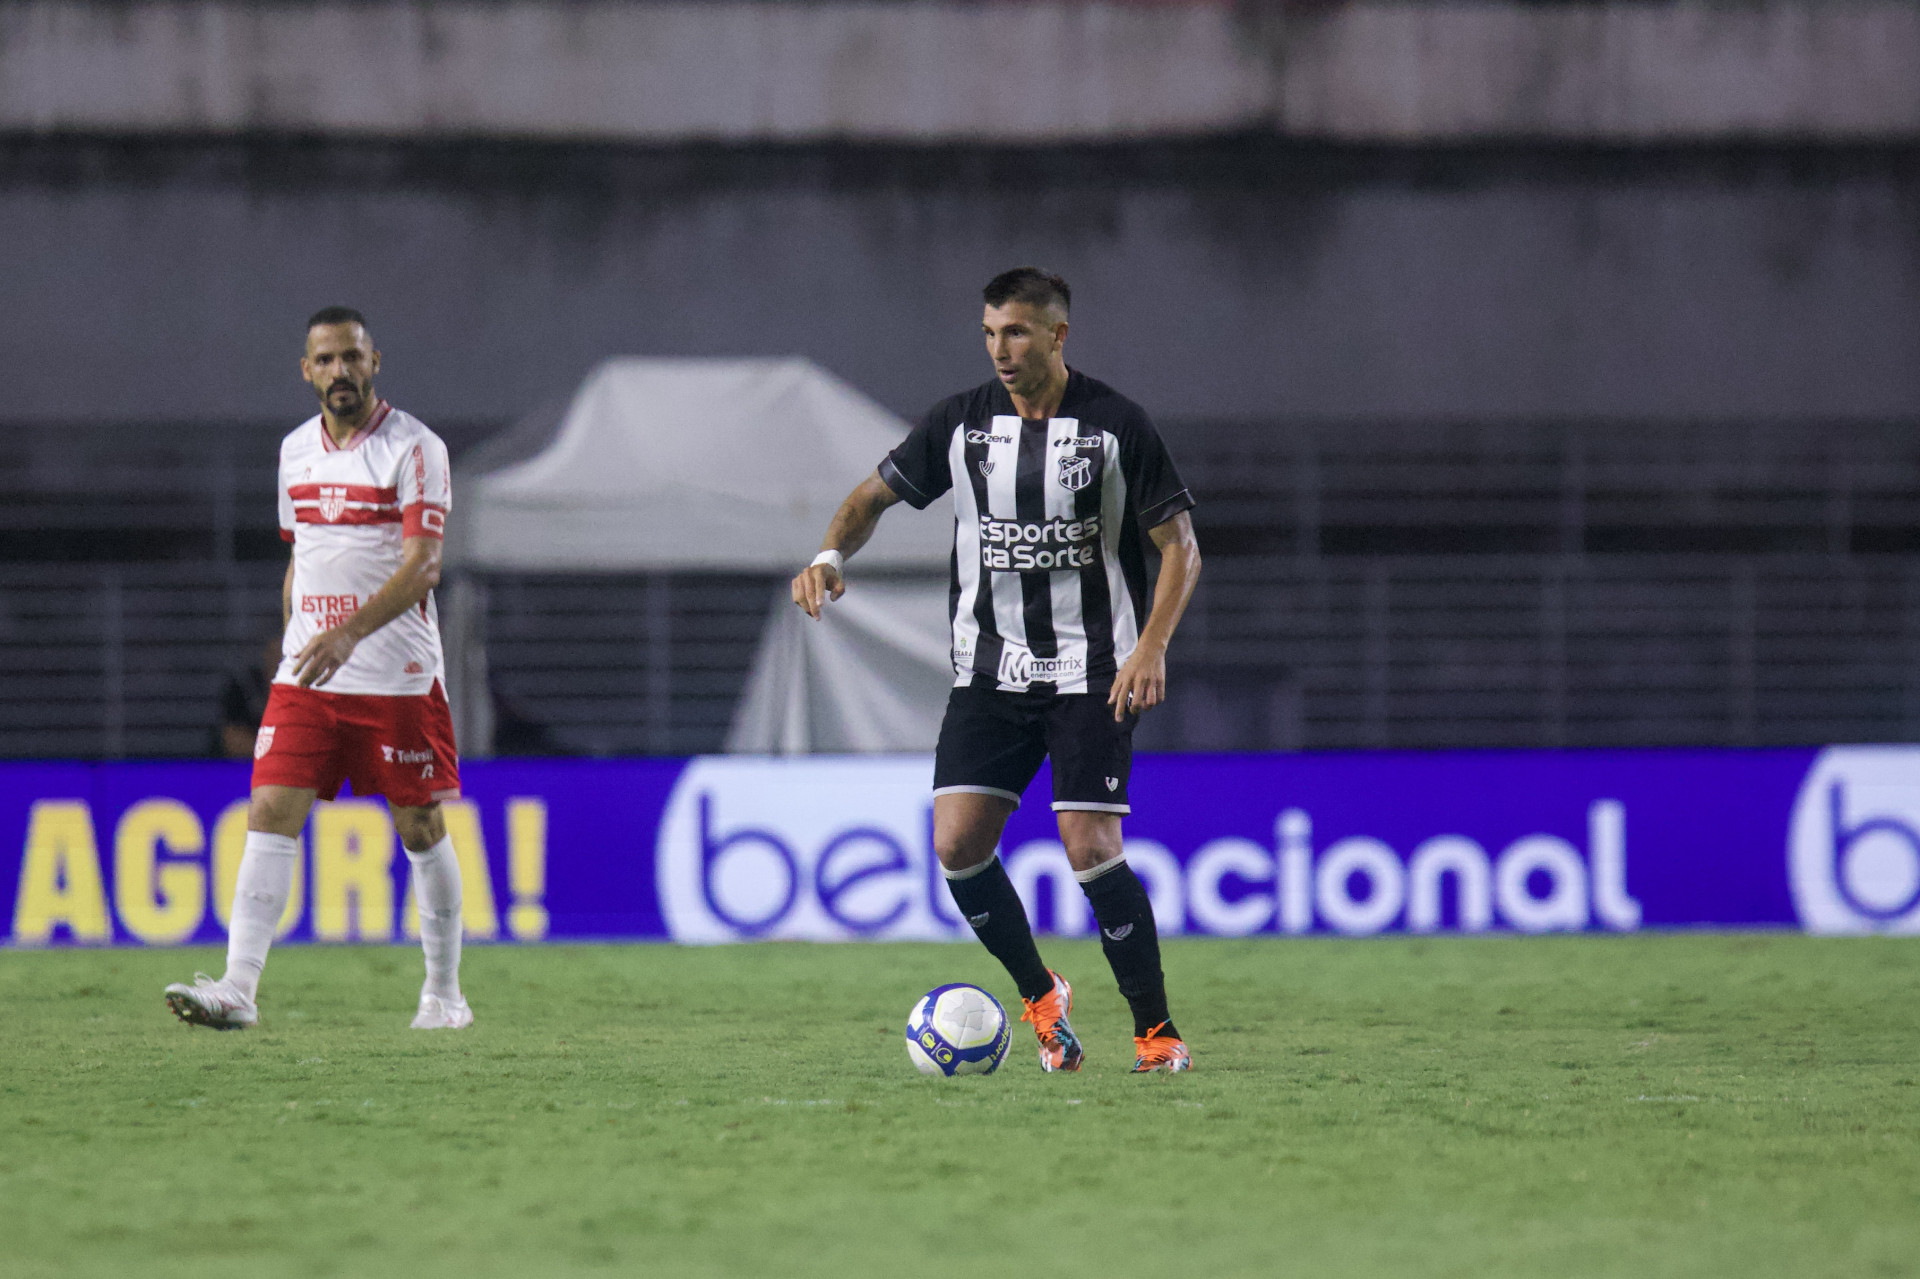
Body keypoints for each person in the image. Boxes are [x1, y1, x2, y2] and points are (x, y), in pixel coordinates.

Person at [791, 267, 1202, 1073]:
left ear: (1057, 334)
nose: (999, 350)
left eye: (1016, 332)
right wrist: (830, 553)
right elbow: (872, 496)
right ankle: (1041, 995)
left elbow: (1179, 545)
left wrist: (1151, 644)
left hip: (1095, 669)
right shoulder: (962, 425)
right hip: (989, 672)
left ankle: (1156, 1033)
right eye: (988, 333)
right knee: (957, 842)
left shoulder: (1116, 427)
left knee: (1089, 846)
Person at [165, 307, 472, 1031]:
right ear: (306, 369)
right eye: (325, 359)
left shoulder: (416, 448)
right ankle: (239, 988)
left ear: (375, 363)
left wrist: (346, 633)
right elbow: (299, 554)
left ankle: (444, 995)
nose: (340, 371)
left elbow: (424, 567)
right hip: (309, 676)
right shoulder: (294, 451)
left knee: (420, 825)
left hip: (395, 674)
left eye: (351, 358)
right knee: (270, 810)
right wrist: (294, 642)